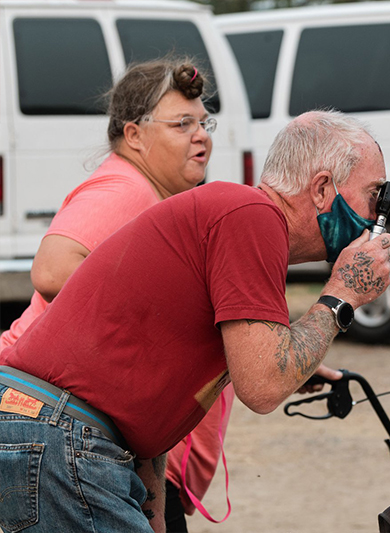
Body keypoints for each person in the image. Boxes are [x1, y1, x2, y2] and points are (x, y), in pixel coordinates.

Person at [0, 109, 390, 533]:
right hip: (59, 434)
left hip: (48, 427)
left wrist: (152, 507)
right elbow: (262, 387)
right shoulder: (250, 216)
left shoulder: (236, 219)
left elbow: (145, 385)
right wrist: (344, 294)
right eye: (375, 195)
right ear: (321, 188)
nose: (378, 214)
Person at [0, 57, 233, 532]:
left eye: (204, 122)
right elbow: (51, 270)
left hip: (79, 436)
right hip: (63, 431)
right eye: (182, 123)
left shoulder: (147, 194)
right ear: (135, 135)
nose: (201, 135)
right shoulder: (125, 189)